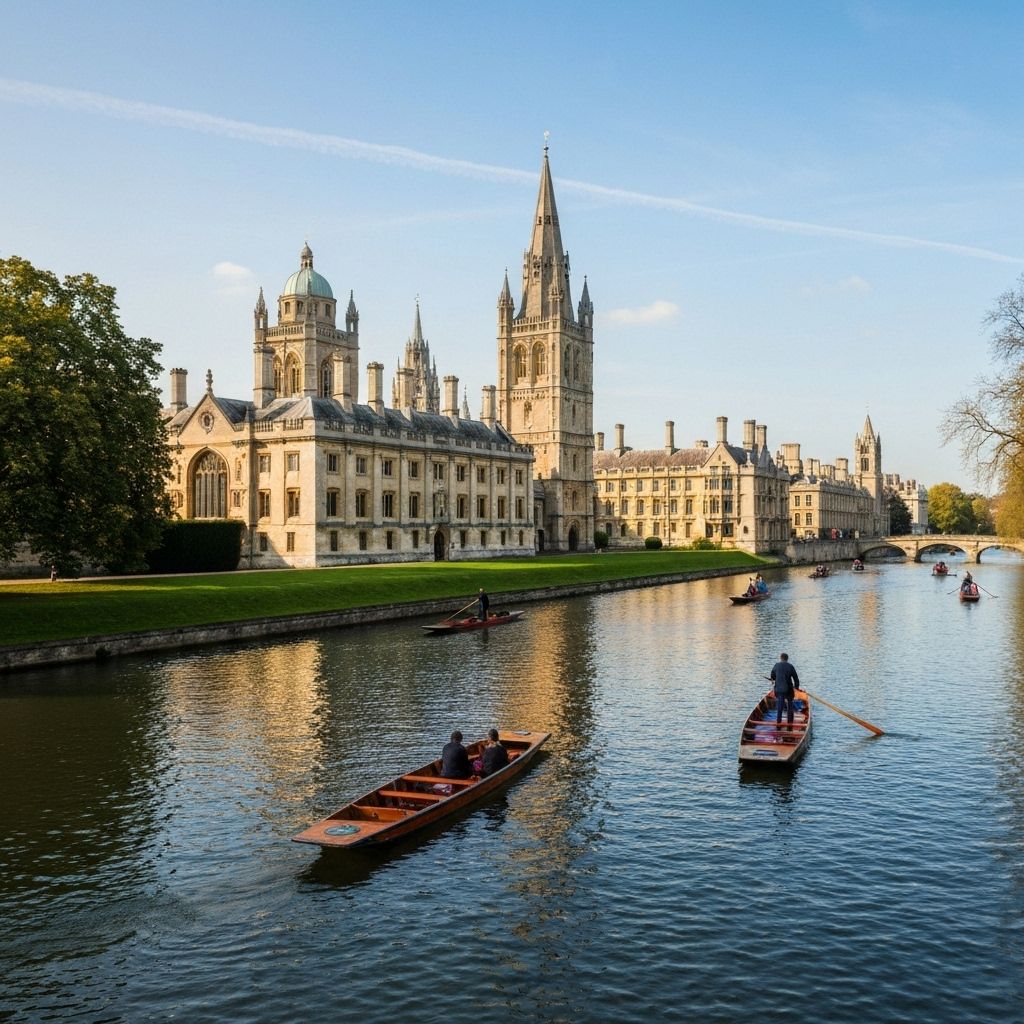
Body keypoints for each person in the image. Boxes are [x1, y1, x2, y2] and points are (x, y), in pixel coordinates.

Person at [770, 652, 800, 726]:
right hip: (788, 689)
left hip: (779, 690)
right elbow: (796, 679)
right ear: (787, 659)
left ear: (780, 658)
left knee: (780, 705)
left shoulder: (776, 665)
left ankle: (778, 722)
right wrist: (796, 688)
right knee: (790, 705)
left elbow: (772, 676)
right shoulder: (790, 666)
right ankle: (790, 722)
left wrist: (774, 679)